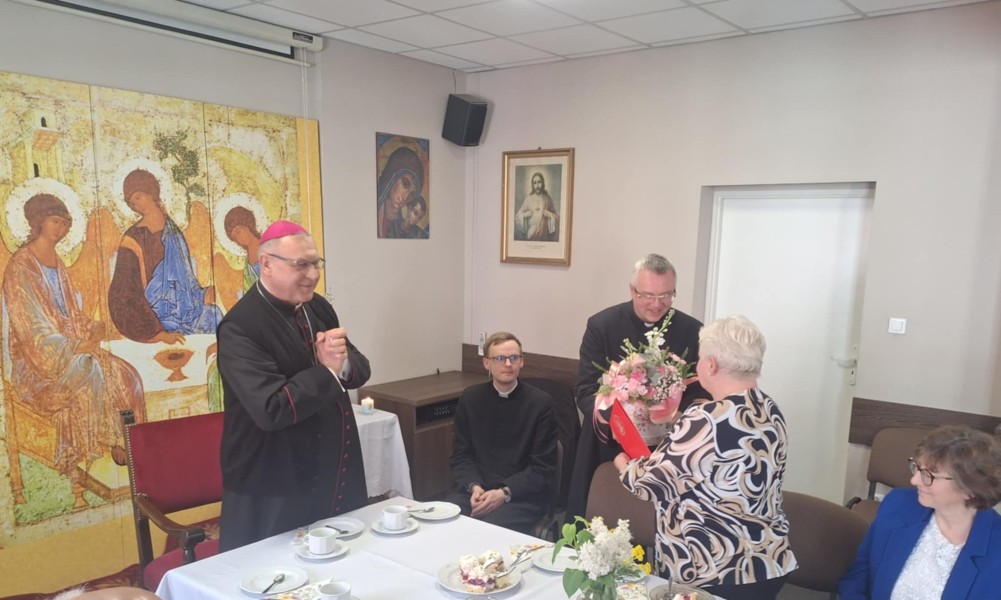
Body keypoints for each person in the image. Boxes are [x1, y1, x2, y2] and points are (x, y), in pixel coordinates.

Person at [615, 315, 796, 600]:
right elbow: (724, 455)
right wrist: (679, 422)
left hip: (716, 568)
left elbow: (648, 484)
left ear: (710, 364)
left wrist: (623, 462)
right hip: (767, 559)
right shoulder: (769, 408)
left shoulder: (706, 419)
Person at [216, 220, 371, 551]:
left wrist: (340, 364)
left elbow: (358, 369)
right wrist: (327, 370)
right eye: (301, 265)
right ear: (267, 264)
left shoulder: (318, 306)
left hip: (330, 466)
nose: (313, 275)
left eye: (316, 263)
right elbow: (271, 409)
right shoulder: (240, 327)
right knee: (275, 570)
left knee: (340, 560)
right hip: (273, 478)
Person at [2, 194, 145, 492]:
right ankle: (101, 441)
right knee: (89, 367)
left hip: (70, 348)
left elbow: (70, 315)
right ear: (38, 222)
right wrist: (73, 346)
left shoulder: (57, 263)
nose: (61, 229)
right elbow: (30, 328)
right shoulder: (21, 266)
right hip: (39, 363)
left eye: (65, 223)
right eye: (55, 222)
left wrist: (94, 328)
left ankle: (130, 443)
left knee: (127, 374)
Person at [566, 253, 705, 520]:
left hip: (667, 446)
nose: (656, 304)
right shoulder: (602, 325)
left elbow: (700, 392)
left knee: (656, 522)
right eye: (647, 295)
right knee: (600, 520)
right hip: (608, 441)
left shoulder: (692, 331)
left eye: (666, 295)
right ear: (632, 290)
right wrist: (618, 423)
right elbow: (585, 390)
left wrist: (675, 414)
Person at [838, 425, 1001, 599]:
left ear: (971, 488)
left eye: (930, 475)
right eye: (917, 467)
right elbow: (859, 575)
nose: (914, 480)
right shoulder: (898, 504)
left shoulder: (995, 549)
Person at [445, 331, 558, 534]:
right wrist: (474, 486)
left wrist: (503, 493)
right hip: (475, 490)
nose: (508, 364)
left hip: (521, 496)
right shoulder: (471, 398)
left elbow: (542, 468)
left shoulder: (541, 403)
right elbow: (461, 455)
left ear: (521, 361)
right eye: (500, 358)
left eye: (513, 358)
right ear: (486, 363)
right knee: (446, 519)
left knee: (486, 530)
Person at [108, 168, 221, 344]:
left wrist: (202, 295)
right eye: (132, 203)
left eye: (138, 197)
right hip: (153, 315)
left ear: (151, 192)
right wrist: (156, 332)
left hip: (183, 307)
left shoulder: (173, 231)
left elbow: (185, 278)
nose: (137, 205)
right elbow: (123, 291)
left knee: (214, 316)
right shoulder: (133, 238)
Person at [376, 146, 424, 239]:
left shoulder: (403, 228)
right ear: (392, 176)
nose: (405, 198)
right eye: (405, 184)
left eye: (412, 194)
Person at [513, 172, 559, 241]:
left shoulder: (548, 199)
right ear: (532, 185)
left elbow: (557, 218)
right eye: (535, 183)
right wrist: (524, 215)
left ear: (543, 183)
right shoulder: (528, 199)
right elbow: (517, 217)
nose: (537, 185)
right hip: (530, 235)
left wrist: (549, 215)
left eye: (539, 182)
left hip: (544, 235)